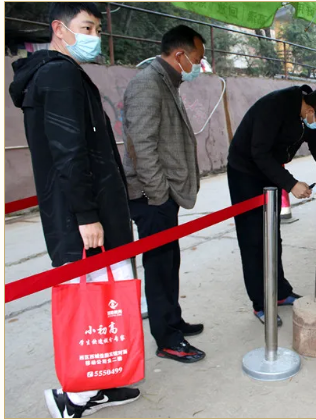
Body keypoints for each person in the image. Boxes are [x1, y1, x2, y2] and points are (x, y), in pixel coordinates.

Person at [9, 2, 140, 417]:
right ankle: (75, 399)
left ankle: (100, 383)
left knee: (105, 301)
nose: (94, 36)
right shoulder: (59, 75)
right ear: (59, 29)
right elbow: (69, 151)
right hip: (84, 216)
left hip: (85, 208)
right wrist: (86, 215)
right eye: (86, 27)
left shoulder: (57, 73)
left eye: (97, 28)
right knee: (94, 304)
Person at [122, 25, 206, 363]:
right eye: (197, 59)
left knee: (169, 263)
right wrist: (159, 194)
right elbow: (141, 145)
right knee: (158, 268)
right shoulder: (147, 83)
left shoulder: (166, 81)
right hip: (151, 197)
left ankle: (173, 320)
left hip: (163, 194)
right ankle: (167, 339)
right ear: (180, 54)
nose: (198, 66)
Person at [227, 85, 316, 325]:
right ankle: (261, 303)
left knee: (272, 236)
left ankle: (280, 292)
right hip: (245, 172)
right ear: (310, 110)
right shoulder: (275, 106)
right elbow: (259, 153)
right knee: (253, 240)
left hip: (269, 170)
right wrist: (291, 184)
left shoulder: (307, 114)